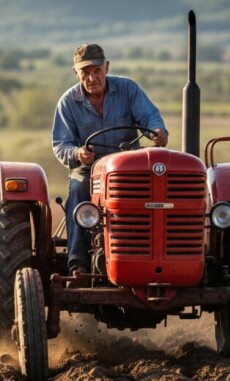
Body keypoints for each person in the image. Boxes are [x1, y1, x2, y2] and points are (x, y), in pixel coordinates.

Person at [52, 43, 168, 278]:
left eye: (96, 70)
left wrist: (156, 131)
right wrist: (78, 154)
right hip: (90, 169)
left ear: (106, 67)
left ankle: (155, 254)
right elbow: (61, 144)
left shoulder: (128, 89)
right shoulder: (67, 103)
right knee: (78, 188)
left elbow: (149, 117)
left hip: (129, 167)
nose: (92, 77)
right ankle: (78, 263)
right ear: (76, 73)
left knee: (158, 192)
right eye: (85, 72)